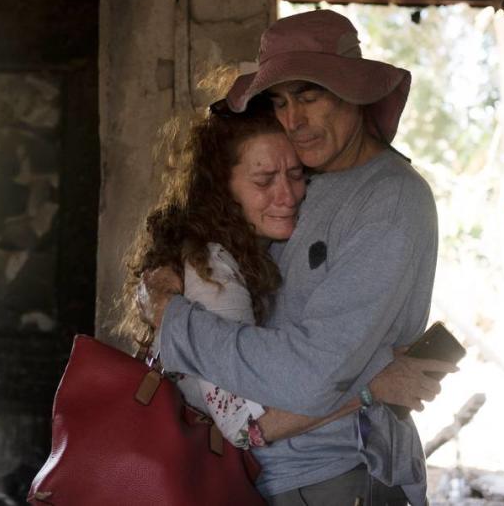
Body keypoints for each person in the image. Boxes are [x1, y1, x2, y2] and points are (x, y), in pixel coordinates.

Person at [140, 10, 446, 506]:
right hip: (270, 471)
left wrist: (175, 321)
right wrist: (375, 382)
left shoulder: (390, 198)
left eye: (310, 95)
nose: (293, 120)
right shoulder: (303, 180)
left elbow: (310, 373)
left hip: (336, 472)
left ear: (354, 92)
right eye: (280, 101)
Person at [117, 91, 446, 453]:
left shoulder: (252, 254)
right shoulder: (213, 272)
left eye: (296, 175)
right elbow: (244, 424)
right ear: (222, 191)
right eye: (264, 181)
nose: (287, 195)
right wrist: (373, 385)